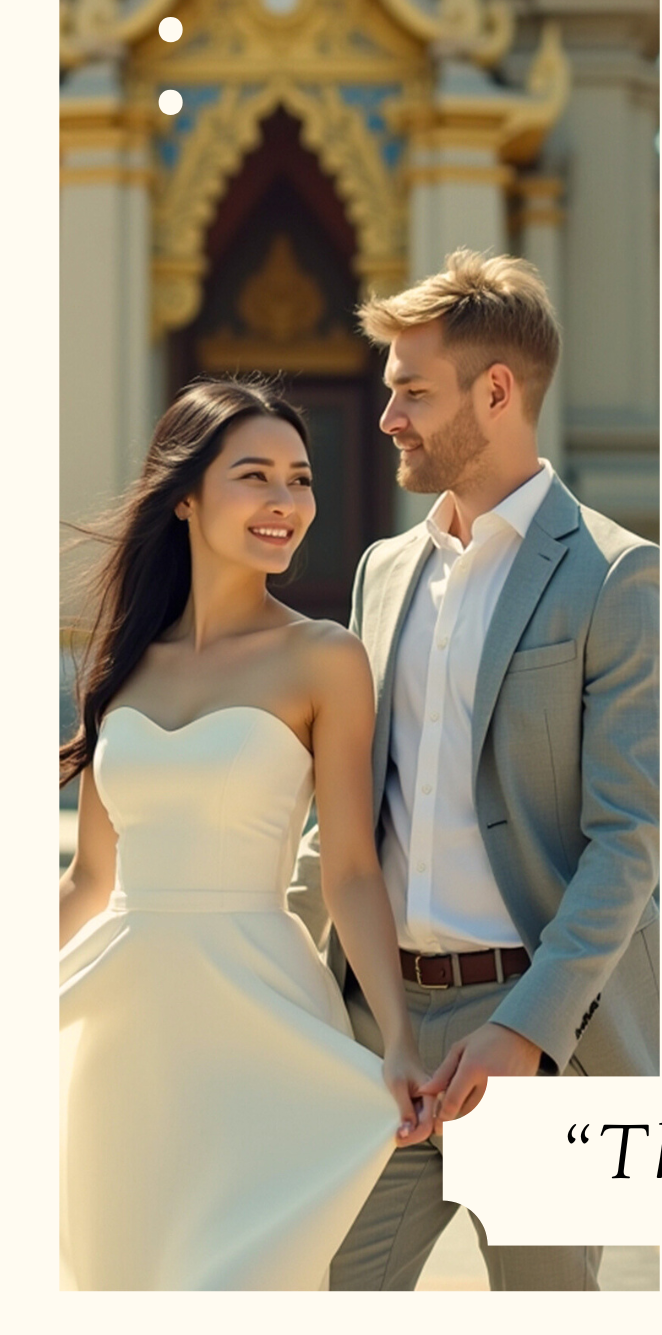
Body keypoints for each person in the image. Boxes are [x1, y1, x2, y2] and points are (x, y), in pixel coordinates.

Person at [292, 250, 660, 1291]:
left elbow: (628, 843)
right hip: (385, 1038)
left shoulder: (618, 575)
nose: (386, 418)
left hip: (536, 1034)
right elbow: (350, 822)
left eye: (412, 391)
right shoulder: (383, 569)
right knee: (330, 1290)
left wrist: (523, 1034)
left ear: (495, 391)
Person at [58, 378, 432, 1290]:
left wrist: (397, 1036)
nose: (284, 502)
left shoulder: (324, 656)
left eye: (299, 479)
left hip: (257, 1015)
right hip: (125, 1036)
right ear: (184, 495)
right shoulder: (121, 659)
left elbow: (348, 867)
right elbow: (90, 878)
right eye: (254, 475)